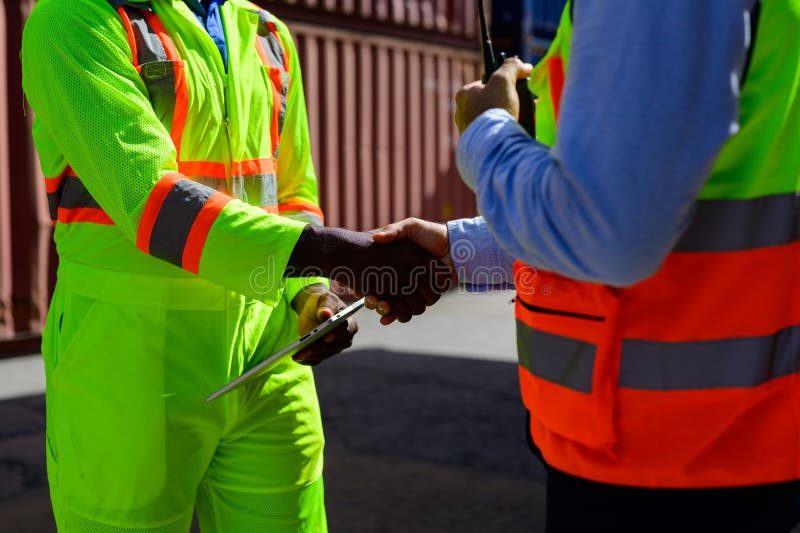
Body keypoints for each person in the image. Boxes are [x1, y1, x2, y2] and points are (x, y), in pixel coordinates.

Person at [370, 0, 800, 531]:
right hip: (730, 445)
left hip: (667, 463)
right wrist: (467, 252)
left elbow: (608, 232)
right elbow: (673, 211)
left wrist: (485, 132)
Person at [21, 0, 441, 530]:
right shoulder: (73, 19)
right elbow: (151, 201)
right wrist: (339, 253)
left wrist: (311, 296)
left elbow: (291, 193)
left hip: (270, 360)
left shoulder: (266, 31)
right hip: (129, 368)